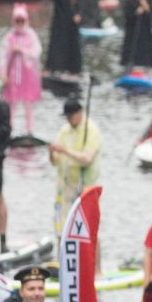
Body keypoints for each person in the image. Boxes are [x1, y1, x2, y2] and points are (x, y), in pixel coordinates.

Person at [49, 97, 102, 227]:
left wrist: (64, 150)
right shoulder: (65, 130)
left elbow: (87, 159)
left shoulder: (91, 130)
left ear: (79, 113)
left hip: (85, 187)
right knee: (62, 225)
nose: (68, 120)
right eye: (66, 117)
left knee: (86, 227)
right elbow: (55, 161)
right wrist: (51, 152)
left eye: (70, 116)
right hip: (64, 187)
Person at [0, 4, 43, 138]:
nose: (20, 24)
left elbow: (36, 52)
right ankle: (9, 130)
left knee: (28, 105)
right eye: (17, 21)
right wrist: (3, 74)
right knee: (11, 105)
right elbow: (2, 57)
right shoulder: (8, 37)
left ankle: (29, 131)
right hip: (12, 76)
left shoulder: (31, 35)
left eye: (22, 21)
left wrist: (22, 50)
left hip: (28, 76)